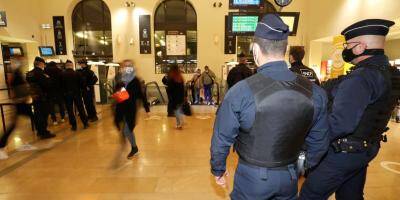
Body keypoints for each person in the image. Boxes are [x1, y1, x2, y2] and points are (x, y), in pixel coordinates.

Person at [210, 14, 329, 200]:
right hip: (290, 176)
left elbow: (222, 137)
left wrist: (218, 168)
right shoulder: (316, 92)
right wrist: (301, 166)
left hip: (252, 178)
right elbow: (320, 141)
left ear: (255, 49)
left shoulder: (240, 92)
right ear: (285, 49)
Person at [299, 19, 400, 200]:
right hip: (365, 149)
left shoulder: (361, 78)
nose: (346, 49)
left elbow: (340, 123)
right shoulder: (388, 72)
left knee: (310, 194)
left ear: (360, 47)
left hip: (343, 153)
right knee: (350, 196)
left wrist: (308, 145)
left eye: (348, 45)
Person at [114, 60, 150, 159]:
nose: (127, 67)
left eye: (129, 66)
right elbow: (118, 94)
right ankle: (133, 146)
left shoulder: (135, 80)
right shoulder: (120, 79)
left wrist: (147, 109)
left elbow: (141, 95)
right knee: (125, 128)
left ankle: (134, 148)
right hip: (121, 108)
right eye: (125, 66)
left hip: (131, 109)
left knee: (127, 130)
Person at [0, 57, 34, 159]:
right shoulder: (16, 74)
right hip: (20, 103)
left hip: (21, 102)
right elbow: (18, 88)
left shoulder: (17, 73)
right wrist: (26, 95)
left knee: (23, 122)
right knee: (15, 125)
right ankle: (1, 146)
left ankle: (24, 143)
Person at [26, 57, 56, 139]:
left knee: (37, 114)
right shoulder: (41, 73)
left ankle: (39, 131)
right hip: (43, 97)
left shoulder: (29, 73)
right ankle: (44, 132)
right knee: (44, 114)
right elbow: (47, 85)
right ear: (41, 63)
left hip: (35, 97)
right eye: (43, 64)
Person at [61, 60, 89, 131]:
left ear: (66, 66)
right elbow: (82, 84)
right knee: (81, 108)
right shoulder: (77, 73)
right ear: (72, 65)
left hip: (67, 95)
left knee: (70, 110)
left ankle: (74, 126)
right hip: (77, 94)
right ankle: (85, 123)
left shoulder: (62, 74)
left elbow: (60, 86)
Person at [165, 64, 185, 129]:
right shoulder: (180, 77)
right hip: (181, 96)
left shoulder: (172, 77)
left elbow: (170, 88)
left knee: (176, 110)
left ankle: (179, 123)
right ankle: (181, 121)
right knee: (179, 109)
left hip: (174, 97)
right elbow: (183, 88)